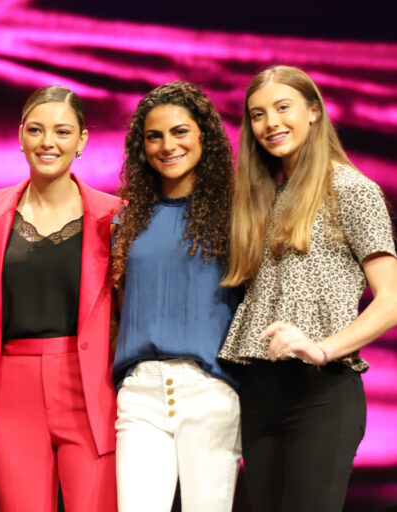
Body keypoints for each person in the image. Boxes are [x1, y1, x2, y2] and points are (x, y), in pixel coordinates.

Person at [219, 65, 397, 512]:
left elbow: (392, 299)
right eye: (258, 115)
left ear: (313, 111)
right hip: (259, 392)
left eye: (283, 108)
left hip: (321, 392)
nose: (271, 123)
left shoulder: (351, 189)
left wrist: (322, 348)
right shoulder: (264, 198)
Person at [0, 86, 120, 512]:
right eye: (36, 130)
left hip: (90, 386)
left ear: (82, 140)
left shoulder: (116, 216)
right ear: (20, 136)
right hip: (12, 391)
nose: (48, 142)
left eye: (62, 131)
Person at [110, 81, 242, 512]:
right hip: (140, 394)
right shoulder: (126, 220)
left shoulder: (237, 216)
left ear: (204, 135)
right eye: (154, 136)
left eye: (180, 131)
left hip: (210, 391)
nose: (168, 145)